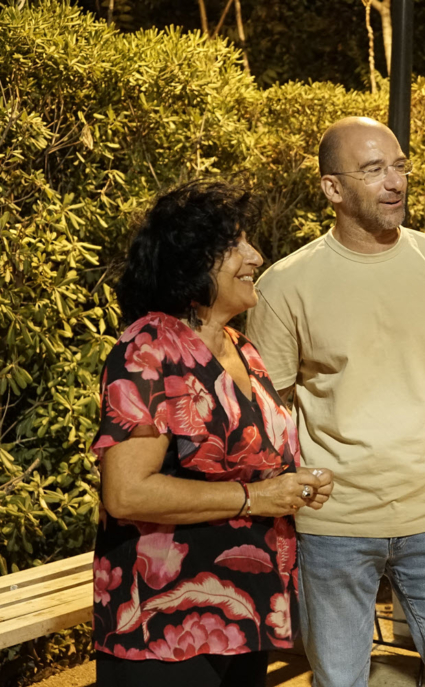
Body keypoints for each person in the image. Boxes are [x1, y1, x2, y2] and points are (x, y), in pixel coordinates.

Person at [247, 116, 425, 687]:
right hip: (332, 526)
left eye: (399, 166)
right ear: (332, 189)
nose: (395, 182)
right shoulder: (285, 284)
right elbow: (270, 406)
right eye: (373, 170)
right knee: (340, 681)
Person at [90, 180, 334, 687]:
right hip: (163, 624)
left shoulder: (241, 348)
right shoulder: (149, 349)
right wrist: (256, 497)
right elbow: (126, 492)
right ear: (193, 261)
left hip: (245, 612)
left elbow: (249, 460)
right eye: (237, 244)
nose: (256, 256)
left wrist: (294, 483)